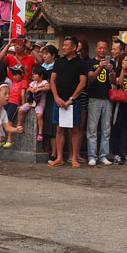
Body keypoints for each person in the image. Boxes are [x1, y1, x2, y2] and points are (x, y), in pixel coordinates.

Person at [48, 36, 87, 168]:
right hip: (59, 100)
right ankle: (59, 157)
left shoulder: (81, 63)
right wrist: (56, 97)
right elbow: (52, 80)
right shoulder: (59, 62)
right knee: (59, 128)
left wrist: (72, 99)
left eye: (66, 45)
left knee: (75, 129)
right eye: (63, 45)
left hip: (73, 101)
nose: (63, 47)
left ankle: (74, 157)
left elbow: (82, 83)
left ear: (74, 47)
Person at [86, 40, 116, 166]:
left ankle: (103, 155)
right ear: (96, 49)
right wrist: (100, 67)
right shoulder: (90, 62)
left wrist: (111, 70)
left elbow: (114, 81)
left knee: (106, 128)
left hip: (108, 98)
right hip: (94, 98)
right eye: (100, 48)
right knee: (92, 128)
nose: (102, 50)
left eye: (105, 48)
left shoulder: (112, 63)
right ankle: (92, 156)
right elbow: (91, 78)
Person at [17, 65, 50, 141]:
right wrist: (31, 89)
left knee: (39, 115)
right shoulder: (33, 83)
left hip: (40, 103)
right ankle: (19, 125)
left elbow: (48, 87)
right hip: (32, 102)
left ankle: (40, 133)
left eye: (35, 74)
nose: (34, 76)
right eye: (33, 74)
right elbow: (28, 89)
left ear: (41, 75)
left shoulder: (44, 82)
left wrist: (38, 89)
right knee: (21, 110)